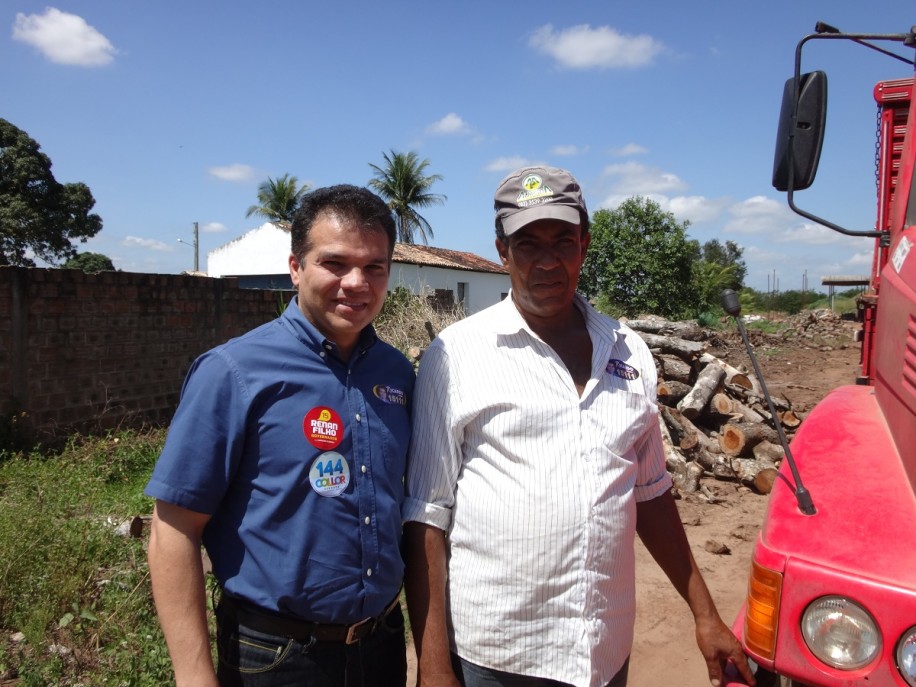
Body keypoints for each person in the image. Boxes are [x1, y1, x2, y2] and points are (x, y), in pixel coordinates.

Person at [402, 166, 756, 687]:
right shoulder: (455, 355)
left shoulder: (629, 352)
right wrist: (433, 668)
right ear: (502, 252)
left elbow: (651, 492)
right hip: (500, 656)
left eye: (562, 240)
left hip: (602, 649)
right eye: (527, 244)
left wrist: (704, 614)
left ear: (584, 245)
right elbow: (427, 516)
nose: (547, 261)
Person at [146, 184, 415, 687]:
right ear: (296, 267)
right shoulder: (234, 372)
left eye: (374, 267)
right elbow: (174, 528)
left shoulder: (396, 374)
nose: (356, 283)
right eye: (334, 263)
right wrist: (193, 676)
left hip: (380, 647)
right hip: (274, 656)